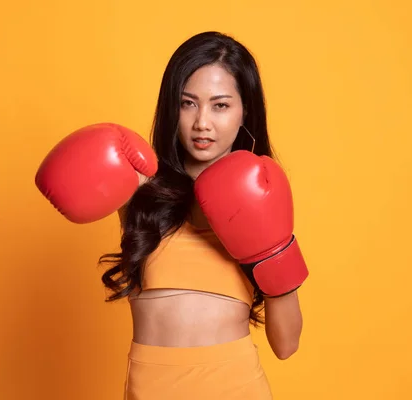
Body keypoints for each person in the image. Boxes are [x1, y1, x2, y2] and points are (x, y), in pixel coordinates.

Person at [35, 31, 308, 400]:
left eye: (221, 105)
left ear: (246, 111)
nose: (202, 123)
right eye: (188, 103)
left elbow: (286, 344)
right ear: (171, 107)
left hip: (236, 387)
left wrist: (275, 251)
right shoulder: (138, 186)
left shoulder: (262, 192)